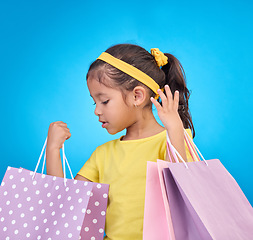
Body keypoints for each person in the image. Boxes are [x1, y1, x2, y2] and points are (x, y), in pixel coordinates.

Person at [46, 44, 195, 240]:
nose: (96, 111)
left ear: (137, 96)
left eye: (104, 101)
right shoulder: (103, 154)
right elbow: (67, 207)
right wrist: (53, 149)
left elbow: (181, 198)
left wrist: (175, 128)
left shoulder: (173, 140)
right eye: (94, 102)